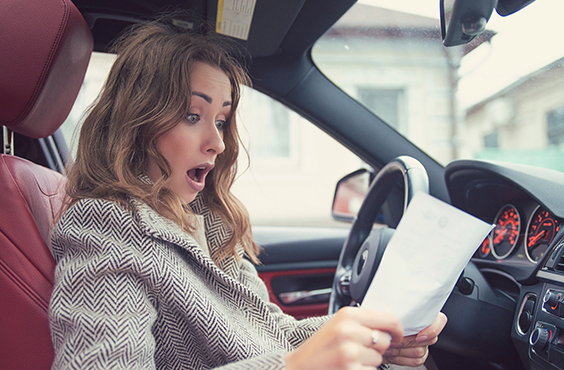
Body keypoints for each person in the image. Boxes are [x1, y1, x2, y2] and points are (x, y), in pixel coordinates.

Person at [49, 18, 447, 370]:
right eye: (193, 116)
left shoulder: (207, 222)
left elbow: (272, 334)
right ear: (136, 121)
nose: (217, 144)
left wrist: (374, 334)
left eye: (221, 121)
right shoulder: (106, 224)